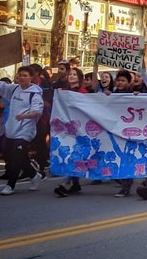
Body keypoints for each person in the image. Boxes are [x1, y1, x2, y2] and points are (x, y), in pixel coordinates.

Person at [0, 64, 44, 195]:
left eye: (25, 76)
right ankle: (34, 175)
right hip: (11, 129)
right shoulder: (14, 89)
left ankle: (10, 185)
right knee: (17, 158)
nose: (22, 78)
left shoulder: (35, 94)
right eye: (20, 75)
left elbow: (37, 112)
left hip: (25, 131)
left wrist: (24, 116)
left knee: (16, 158)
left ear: (31, 78)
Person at [53, 67, 90, 197]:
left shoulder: (84, 92)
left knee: (76, 156)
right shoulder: (63, 92)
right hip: (68, 130)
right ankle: (76, 184)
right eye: (70, 74)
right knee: (71, 155)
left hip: (81, 129)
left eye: (75, 74)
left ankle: (64, 184)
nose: (72, 76)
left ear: (79, 78)